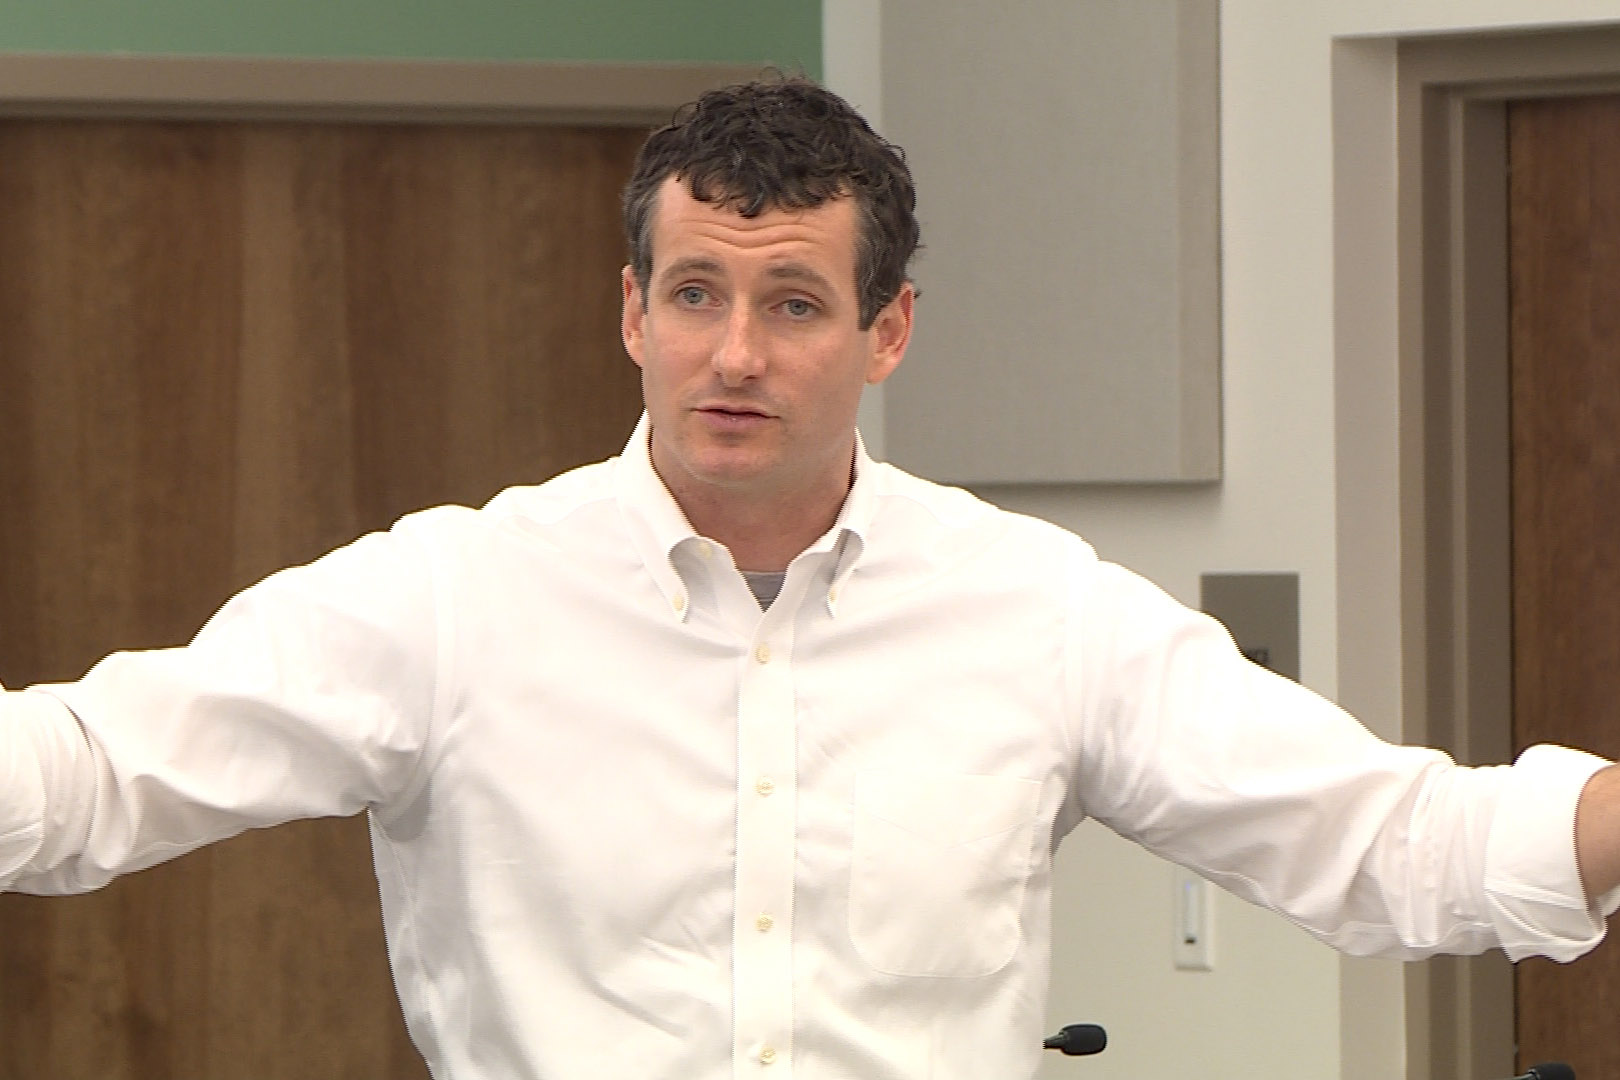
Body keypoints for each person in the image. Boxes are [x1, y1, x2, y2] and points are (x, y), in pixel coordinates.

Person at [2, 75, 1619, 1080]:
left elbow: (1397, 843)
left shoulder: (1037, 610)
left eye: (791, 304)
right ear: (631, 309)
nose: (732, 352)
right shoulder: (453, 600)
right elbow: (92, 772)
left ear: (888, 330)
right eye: (693, 292)